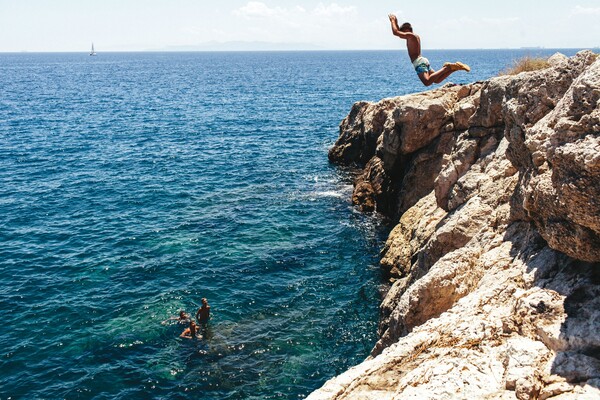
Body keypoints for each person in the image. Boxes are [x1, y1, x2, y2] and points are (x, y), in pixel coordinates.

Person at [388, 14, 470, 86]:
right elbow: (398, 31)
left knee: (427, 82)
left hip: (419, 62)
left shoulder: (410, 35)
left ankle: (447, 68)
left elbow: (396, 32)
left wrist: (392, 20)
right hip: (423, 60)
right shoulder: (414, 37)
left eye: (403, 32)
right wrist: (395, 22)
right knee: (437, 80)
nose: (402, 35)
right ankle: (454, 68)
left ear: (407, 30)